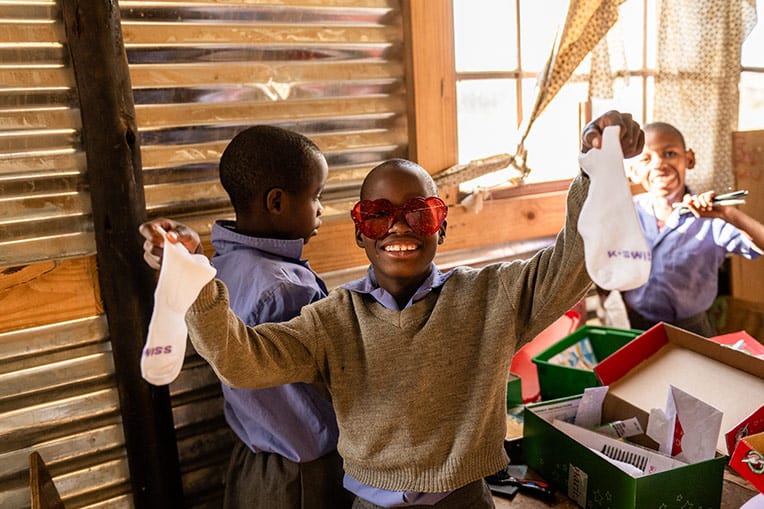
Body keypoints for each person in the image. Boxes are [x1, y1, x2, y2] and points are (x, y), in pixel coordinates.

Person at [140, 111, 644, 508]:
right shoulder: (332, 320)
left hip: (465, 501)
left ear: (441, 226)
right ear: (360, 232)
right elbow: (242, 360)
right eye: (378, 216)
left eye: (418, 213)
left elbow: (572, 263)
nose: (398, 228)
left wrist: (595, 170)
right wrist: (195, 279)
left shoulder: (491, 296)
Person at [142, 125, 353, 508]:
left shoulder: (222, 267)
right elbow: (334, 385)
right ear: (277, 202)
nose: (321, 208)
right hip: (303, 475)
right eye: (316, 196)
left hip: (253, 460)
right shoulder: (288, 288)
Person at [617, 121, 764, 336]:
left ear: (689, 159)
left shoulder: (713, 218)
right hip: (636, 322)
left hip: (692, 328)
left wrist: (729, 214)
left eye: (669, 154)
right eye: (646, 159)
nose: (659, 164)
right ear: (633, 171)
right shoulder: (628, 212)